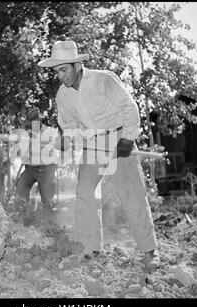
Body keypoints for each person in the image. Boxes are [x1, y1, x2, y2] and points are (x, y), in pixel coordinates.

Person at [38, 40, 160, 271]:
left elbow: (129, 109)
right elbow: (70, 126)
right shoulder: (63, 96)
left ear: (76, 65)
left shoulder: (105, 80)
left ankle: (150, 252)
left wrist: (127, 139)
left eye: (63, 70)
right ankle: (90, 251)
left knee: (132, 195)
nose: (60, 76)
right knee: (85, 193)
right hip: (92, 146)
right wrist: (66, 142)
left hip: (118, 139)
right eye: (57, 72)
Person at [14, 107, 58, 229]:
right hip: (31, 168)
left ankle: (51, 225)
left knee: (46, 198)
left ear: (38, 121)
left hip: (47, 169)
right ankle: (22, 218)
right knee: (21, 185)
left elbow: (50, 150)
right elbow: (19, 153)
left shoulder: (50, 131)